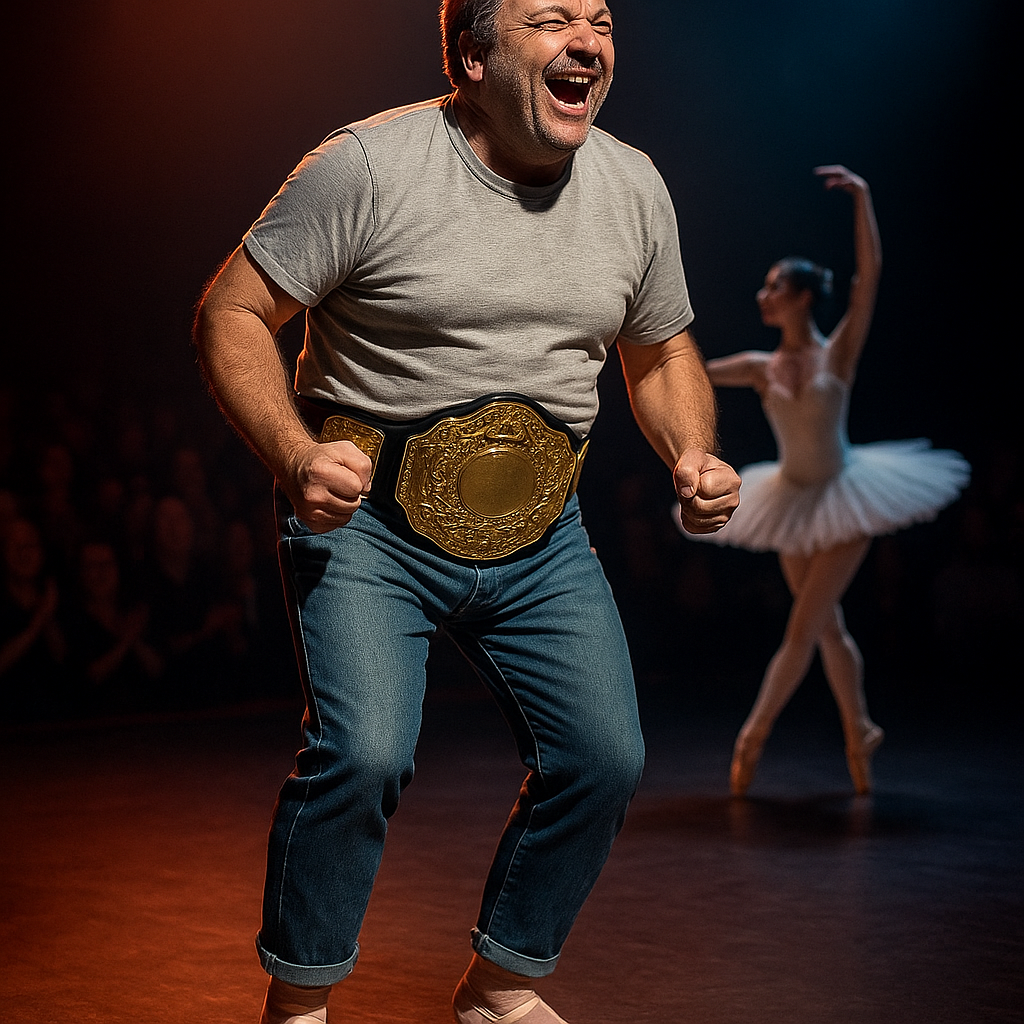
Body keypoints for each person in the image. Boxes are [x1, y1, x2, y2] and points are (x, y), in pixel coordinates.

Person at [194, 2, 740, 1022]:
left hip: (541, 535)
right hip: (367, 527)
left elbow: (660, 350)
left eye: (602, 20)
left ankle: (500, 988)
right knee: (361, 754)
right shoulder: (367, 167)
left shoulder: (632, 186)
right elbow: (230, 310)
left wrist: (693, 450)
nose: (588, 40)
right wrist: (295, 452)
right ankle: (300, 1003)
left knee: (604, 756)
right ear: (472, 57)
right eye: (552, 20)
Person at [677, 165, 970, 798]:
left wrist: (863, 200)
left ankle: (752, 736)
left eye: (774, 285)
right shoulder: (761, 367)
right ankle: (860, 729)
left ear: (803, 296)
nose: (764, 293)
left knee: (804, 628)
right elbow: (685, 365)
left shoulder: (838, 352)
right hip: (790, 500)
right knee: (829, 628)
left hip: (844, 495)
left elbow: (869, 282)